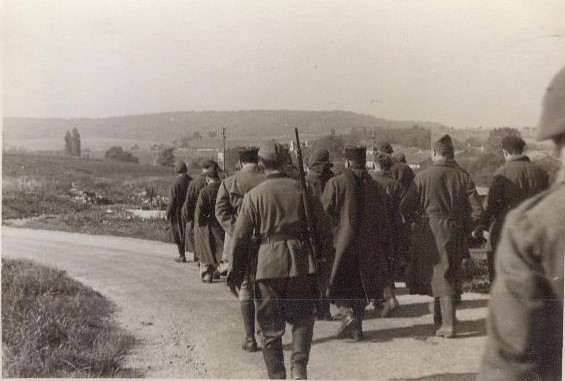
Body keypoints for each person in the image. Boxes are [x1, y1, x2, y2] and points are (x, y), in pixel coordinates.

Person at [478, 66, 565, 381]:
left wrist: (483, 225)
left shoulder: (528, 220)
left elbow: (510, 360)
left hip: (508, 228)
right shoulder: (540, 173)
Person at [228, 140, 333, 380]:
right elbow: (325, 232)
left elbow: (241, 238)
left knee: (270, 329)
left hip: (268, 265)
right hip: (302, 263)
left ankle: (277, 376)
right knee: (302, 319)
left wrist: (235, 271)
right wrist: (324, 267)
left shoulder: (254, 196)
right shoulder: (303, 190)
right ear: (286, 162)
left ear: (262, 165)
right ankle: (299, 369)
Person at [400, 135, 483, 338]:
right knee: (449, 273)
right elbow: (478, 211)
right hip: (455, 230)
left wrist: (417, 220)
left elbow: (405, 206)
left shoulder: (423, 176)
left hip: (430, 230)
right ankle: (441, 321)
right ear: (451, 153)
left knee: (441, 275)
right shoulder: (464, 176)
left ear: (435, 153)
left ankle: (449, 326)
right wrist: (466, 227)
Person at [322, 146, 390, 341]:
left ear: (347, 162)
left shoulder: (335, 183)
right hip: (369, 245)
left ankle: (347, 315)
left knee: (338, 283)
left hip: (341, 244)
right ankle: (357, 328)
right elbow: (383, 219)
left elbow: (324, 214)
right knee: (361, 286)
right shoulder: (376, 187)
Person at [475, 135, 549, 281]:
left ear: (505, 152)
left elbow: (491, 207)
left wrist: (480, 225)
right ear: (523, 149)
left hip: (506, 233)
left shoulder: (502, 174)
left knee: (501, 280)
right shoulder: (541, 172)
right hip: (534, 233)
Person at [215, 147, 265, 352]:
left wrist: (237, 229)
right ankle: (265, 335)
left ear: (242, 162)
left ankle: (250, 338)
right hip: (265, 241)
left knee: (245, 286)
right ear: (257, 161)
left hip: (240, 242)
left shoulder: (229, 183)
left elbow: (220, 211)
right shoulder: (267, 180)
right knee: (264, 286)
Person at [370, 152, 406, 317]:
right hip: (393, 229)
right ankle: (384, 299)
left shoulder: (368, 182)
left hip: (373, 230)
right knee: (388, 264)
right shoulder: (397, 185)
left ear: (374, 164)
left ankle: (387, 298)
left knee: (376, 264)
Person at [305, 148, 334, 320]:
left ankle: (322, 307)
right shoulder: (310, 181)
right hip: (320, 230)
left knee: (320, 270)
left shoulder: (316, 181)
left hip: (320, 230)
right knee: (320, 270)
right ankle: (321, 307)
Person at [194, 160, 224, 282]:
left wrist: (199, 223)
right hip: (220, 224)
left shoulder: (204, 192)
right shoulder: (223, 189)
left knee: (206, 249)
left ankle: (207, 274)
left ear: (208, 179)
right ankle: (218, 270)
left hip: (206, 225)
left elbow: (199, 211)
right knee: (219, 248)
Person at [182, 160, 218, 262]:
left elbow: (188, 203)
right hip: (215, 218)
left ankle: (199, 257)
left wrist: (188, 217)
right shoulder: (219, 182)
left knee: (199, 238)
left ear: (202, 168)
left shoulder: (194, 183)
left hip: (197, 217)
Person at [166, 161, 192, 262]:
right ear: (186, 169)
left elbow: (171, 201)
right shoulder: (192, 182)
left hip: (177, 214)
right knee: (190, 233)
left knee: (178, 234)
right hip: (190, 212)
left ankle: (182, 255)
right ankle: (196, 255)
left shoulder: (175, 184)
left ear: (176, 171)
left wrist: (168, 213)